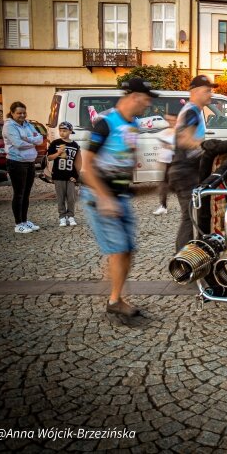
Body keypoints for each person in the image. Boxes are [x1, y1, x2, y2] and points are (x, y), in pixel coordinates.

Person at [81, 78, 157, 317]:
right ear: (133, 96)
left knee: (128, 249)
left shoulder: (133, 124)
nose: (147, 106)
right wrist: (104, 197)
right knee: (121, 248)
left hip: (120, 196)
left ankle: (114, 283)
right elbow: (85, 167)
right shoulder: (105, 123)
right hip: (100, 197)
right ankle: (115, 301)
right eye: (146, 100)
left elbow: (126, 156)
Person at [170, 75, 217, 252]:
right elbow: (184, 140)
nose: (210, 94)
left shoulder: (194, 111)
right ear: (195, 92)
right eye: (207, 91)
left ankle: (190, 253)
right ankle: (182, 257)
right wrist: (206, 146)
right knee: (190, 216)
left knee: (194, 215)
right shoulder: (191, 112)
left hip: (187, 170)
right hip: (185, 170)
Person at [3, 101, 43, 233]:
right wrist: (32, 140)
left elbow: (40, 139)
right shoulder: (9, 126)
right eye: (19, 113)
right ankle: (18, 223)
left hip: (30, 161)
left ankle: (25, 221)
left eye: (24, 112)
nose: (22, 115)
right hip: (16, 161)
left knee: (26, 194)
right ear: (12, 113)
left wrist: (27, 138)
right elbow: (18, 143)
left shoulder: (28, 124)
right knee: (19, 194)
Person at [47, 121, 82, 226]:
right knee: (60, 197)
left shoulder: (75, 145)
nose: (62, 133)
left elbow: (78, 161)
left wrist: (76, 175)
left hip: (70, 175)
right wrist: (58, 153)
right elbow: (49, 157)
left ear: (70, 131)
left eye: (65, 131)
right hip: (58, 175)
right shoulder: (55, 143)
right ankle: (62, 216)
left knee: (71, 197)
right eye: (60, 131)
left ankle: (71, 216)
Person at [153, 113, 177, 216]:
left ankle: (164, 206)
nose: (170, 121)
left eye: (172, 120)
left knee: (174, 185)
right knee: (164, 185)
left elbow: (181, 146)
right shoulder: (165, 131)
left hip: (175, 161)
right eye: (169, 120)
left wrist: (170, 146)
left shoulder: (179, 132)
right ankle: (163, 206)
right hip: (166, 162)